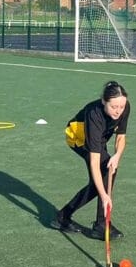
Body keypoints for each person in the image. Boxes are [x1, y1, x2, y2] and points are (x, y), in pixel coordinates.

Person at [52, 81, 130, 240]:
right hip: (78, 138)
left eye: (121, 107)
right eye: (114, 107)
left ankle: (64, 216)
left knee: (108, 170)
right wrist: (104, 196)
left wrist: (117, 156)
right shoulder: (94, 115)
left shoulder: (124, 106)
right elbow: (95, 161)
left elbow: (121, 137)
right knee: (100, 178)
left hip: (99, 139)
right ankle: (100, 225)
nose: (118, 111)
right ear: (104, 101)